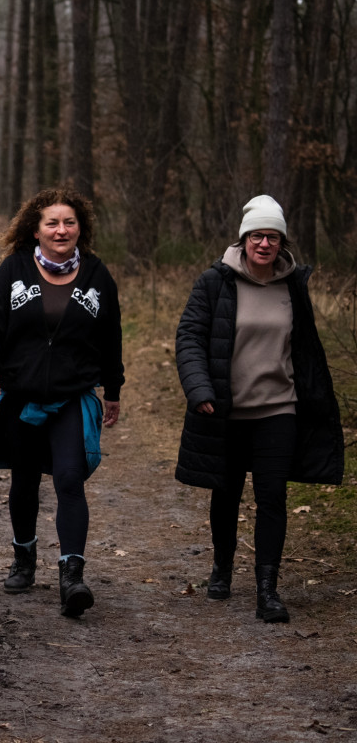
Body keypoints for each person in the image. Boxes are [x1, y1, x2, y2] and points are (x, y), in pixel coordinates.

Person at [175, 194, 343, 623]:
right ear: (244, 238)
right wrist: (198, 388)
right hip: (226, 410)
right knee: (226, 493)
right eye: (257, 235)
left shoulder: (293, 286)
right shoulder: (215, 282)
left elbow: (305, 349)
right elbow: (190, 336)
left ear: (282, 242)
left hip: (278, 409)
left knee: (272, 496)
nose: (264, 244)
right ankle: (222, 569)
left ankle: (268, 589)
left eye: (272, 236)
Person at [0, 187, 123, 618]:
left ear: (81, 228)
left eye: (69, 222)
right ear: (35, 229)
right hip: (21, 398)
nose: (62, 230)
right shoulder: (14, 271)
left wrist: (112, 388)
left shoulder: (96, 275)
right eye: (52, 223)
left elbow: (111, 337)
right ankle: (24, 560)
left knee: (69, 479)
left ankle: (71, 575)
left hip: (71, 398)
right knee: (24, 481)